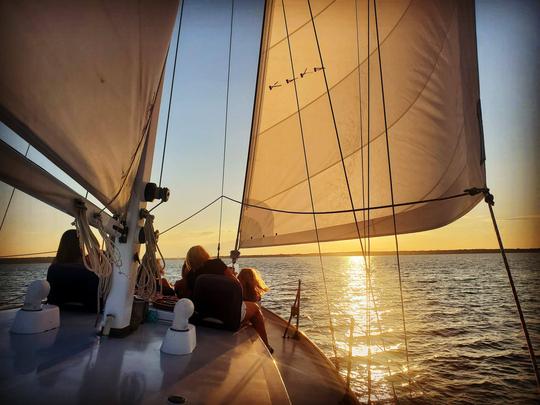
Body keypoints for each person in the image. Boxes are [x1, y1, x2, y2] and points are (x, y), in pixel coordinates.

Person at [183, 245, 273, 352]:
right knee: (255, 310)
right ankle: (266, 346)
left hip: (202, 317)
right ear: (204, 254)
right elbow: (236, 284)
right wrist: (231, 275)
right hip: (228, 317)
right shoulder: (216, 264)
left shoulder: (190, 276)